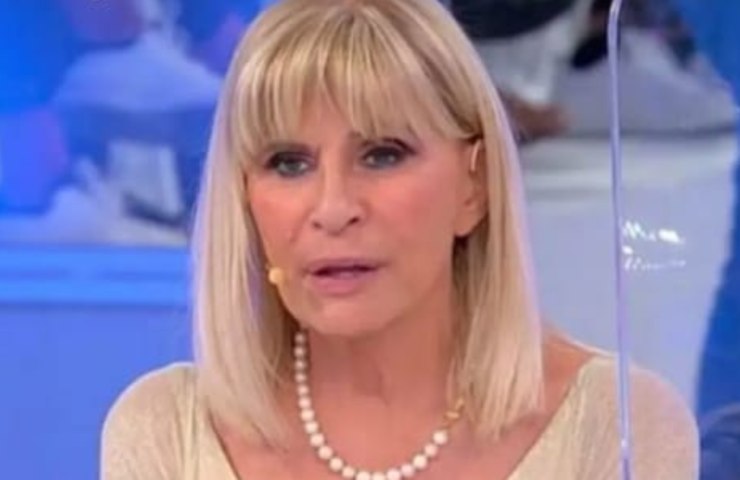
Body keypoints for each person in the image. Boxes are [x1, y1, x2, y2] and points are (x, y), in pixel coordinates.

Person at [100, 1, 698, 479]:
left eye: (383, 154)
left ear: (474, 185)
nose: (333, 209)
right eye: (288, 163)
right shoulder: (167, 430)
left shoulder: (617, 424)